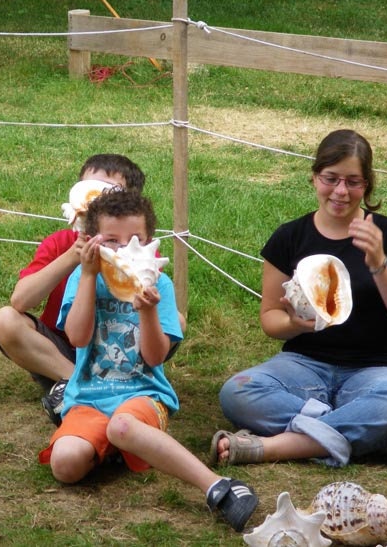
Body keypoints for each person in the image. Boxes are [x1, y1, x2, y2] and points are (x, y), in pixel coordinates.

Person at [39, 189, 258, 533]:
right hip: (89, 397)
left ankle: (218, 485)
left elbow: (155, 357)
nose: (123, 250)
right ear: (91, 240)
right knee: (65, 466)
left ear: (150, 243)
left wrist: (149, 311)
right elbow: (77, 338)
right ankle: (118, 445)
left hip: (143, 394)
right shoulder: (82, 280)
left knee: (123, 426)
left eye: (134, 240)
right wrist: (86, 276)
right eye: (111, 240)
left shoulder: (162, 285)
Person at [213, 129, 387, 468]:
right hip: (303, 367)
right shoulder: (290, 237)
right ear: (315, 178)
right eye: (331, 178)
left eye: (353, 182)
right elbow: (270, 319)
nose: (341, 191)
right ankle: (371, 438)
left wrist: (380, 264)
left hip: (374, 370)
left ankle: (273, 448)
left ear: (367, 185)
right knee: (237, 391)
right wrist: (294, 324)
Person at [0, 154, 147, 425]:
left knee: (175, 321)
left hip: (115, 352)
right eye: (88, 190)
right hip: (60, 352)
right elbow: (20, 301)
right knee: (4, 319)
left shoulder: (136, 249)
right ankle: (79, 385)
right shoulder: (60, 242)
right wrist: (73, 256)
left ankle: (84, 390)